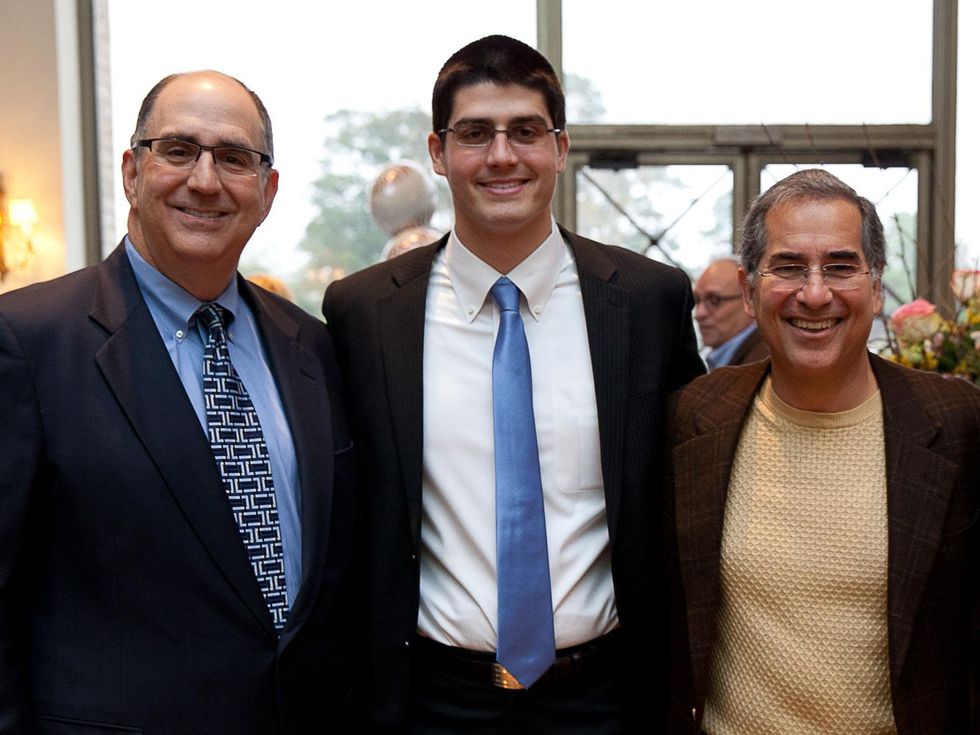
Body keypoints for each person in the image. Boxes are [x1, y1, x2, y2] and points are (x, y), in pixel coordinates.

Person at [323, 34, 704, 733]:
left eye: (525, 131)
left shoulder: (648, 301)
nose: (502, 156)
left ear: (560, 147)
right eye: (474, 134)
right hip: (431, 699)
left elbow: (689, 486)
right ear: (438, 153)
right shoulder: (366, 313)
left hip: (608, 697)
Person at [0, 71, 355, 733]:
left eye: (234, 157)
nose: (205, 179)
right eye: (178, 149)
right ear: (133, 172)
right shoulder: (28, 342)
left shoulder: (312, 345)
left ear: (267, 191)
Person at [666, 168, 979, 734]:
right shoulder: (695, 418)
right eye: (788, 267)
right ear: (749, 288)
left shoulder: (957, 425)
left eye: (840, 266)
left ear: (877, 286)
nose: (814, 293)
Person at [693, 257, 768, 369]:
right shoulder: (712, 361)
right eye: (697, 300)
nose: (699, 314)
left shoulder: (768, 363)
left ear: (749, 299)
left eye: (714, 300)